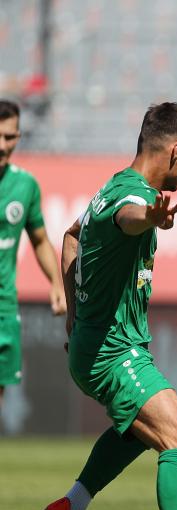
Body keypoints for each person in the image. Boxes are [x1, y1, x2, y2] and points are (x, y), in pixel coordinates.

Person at [41, 103, 177, 510]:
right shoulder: (132, 197)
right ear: (176, 148)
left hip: (99, 345)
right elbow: (129, 220)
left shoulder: (109, 185)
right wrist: (152, 218)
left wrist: (73, 315)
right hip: (111, 352)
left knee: (138, 431)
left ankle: (70, 509)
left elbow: (70, 236)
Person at [0, 99, 65, 407]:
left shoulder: (25, 185)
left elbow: (39, 240)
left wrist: (55, 283)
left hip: (4, 308)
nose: (2, 145)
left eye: (9, 137)